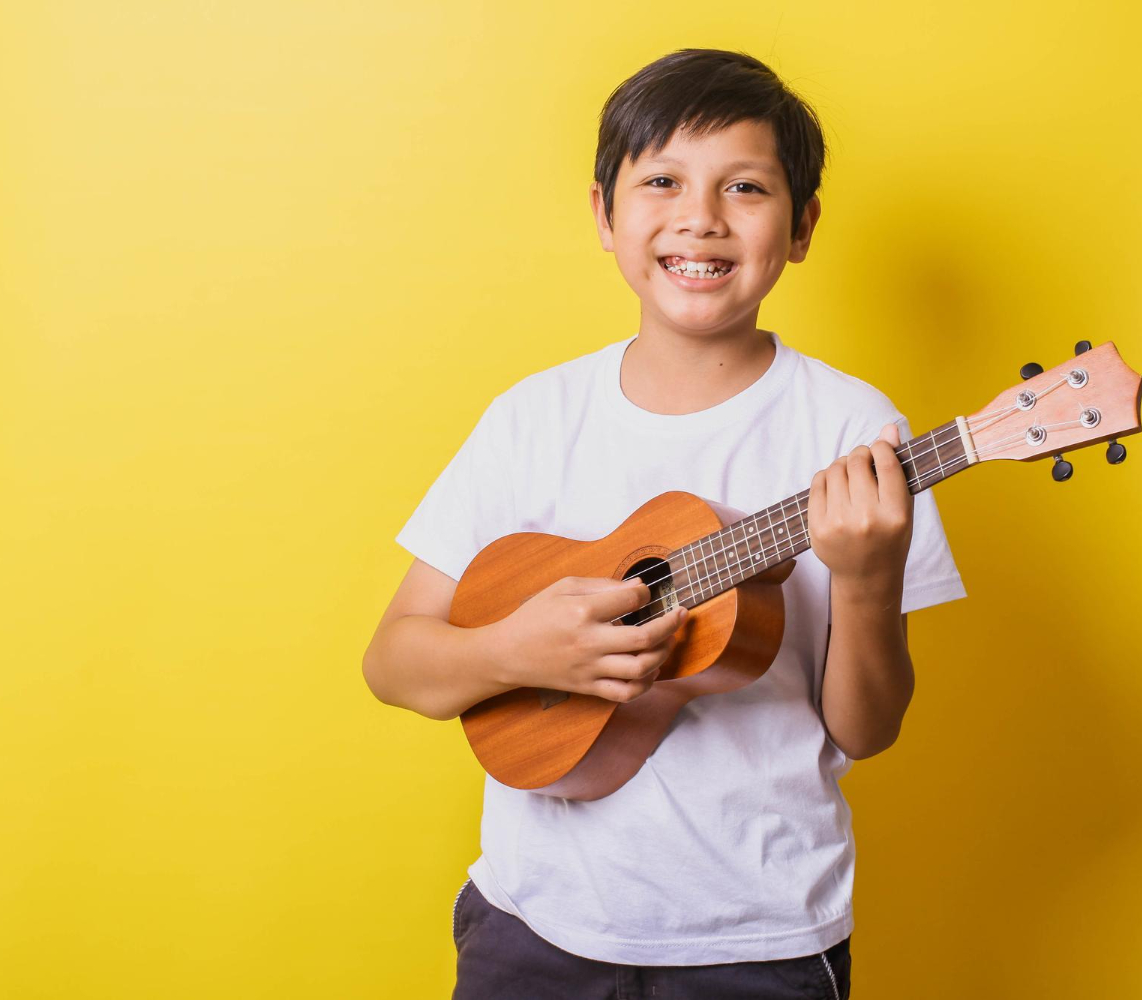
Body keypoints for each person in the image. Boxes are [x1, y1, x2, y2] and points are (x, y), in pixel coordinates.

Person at [362, 47, 967, 1000]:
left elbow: (869, 727)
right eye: (662, 181)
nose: (701, 217)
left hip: (760, 937)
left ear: (801, 226)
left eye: (746, 188)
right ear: (605, 214)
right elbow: (394, 662)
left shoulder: (852, 430)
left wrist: (865, 577)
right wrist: (523, 652)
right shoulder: (535, 417)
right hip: (533, 924)